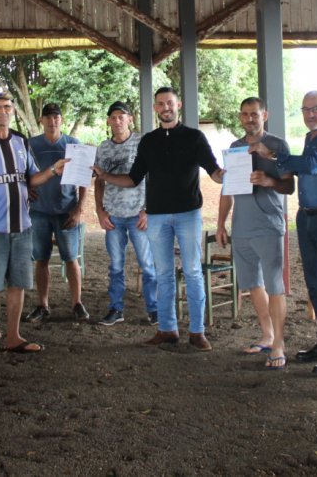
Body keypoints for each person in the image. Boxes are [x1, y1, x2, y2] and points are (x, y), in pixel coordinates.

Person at [93, 87, 224, 351]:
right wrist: (103, 175)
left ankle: (197, 332)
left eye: (170, 103)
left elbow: (215, 172)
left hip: (188, 214)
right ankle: (167, 329)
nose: (166, 107)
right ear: (155, 109)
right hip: (157, 217)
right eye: (161, 104)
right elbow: (132, 179)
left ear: (179, 105)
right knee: (163, 274)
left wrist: (237, 173)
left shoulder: (195, 137)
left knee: (193, 272)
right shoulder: (148, 141)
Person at [0, 91, 66, 363]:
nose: (3, 111)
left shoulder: (21, 141)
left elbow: (31, 179)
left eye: (7, 107)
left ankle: (13, 337)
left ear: (12, 111)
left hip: (22, 227)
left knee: (18, 284)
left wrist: (54, 170)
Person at [252, 90, 317, 375]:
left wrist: (273, 154)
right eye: (305, 110)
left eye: (315, 109)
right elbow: (304, 168)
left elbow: (312, 165)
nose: (310, 115)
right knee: (315, 284)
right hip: (307, 216)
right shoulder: (311, 138)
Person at [217, 97, 295, 369]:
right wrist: (220, 224)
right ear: (240, 117)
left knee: (275, 285)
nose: (250, 119)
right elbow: (227, 188)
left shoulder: (277, 145)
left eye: (255, 114)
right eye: (245, 114)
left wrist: (268, 179)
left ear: (265, 115)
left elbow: (289, 187)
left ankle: (279, 345)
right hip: (241, 226)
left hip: (269, 225)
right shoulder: (235, 148)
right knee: (252, 283)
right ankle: (267, 334)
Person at [93, 101, 158, 327]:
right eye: (114, 117)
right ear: (109, 121)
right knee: (116, 266)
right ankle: (116, 308)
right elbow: (98, 181)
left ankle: (154, 309)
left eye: (122, 116)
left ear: (130, 119)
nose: (118, 121)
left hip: (138, 215)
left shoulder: (143, 143)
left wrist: (148, 210)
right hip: (113, 216)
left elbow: (154, 178)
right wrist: (100, 211)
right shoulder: (103, 148)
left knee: (147, 264)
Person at [25, 103, 89, 323]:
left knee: (71, 258)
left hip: (66, 211)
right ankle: (42, 305)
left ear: (61, 119)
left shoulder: (73, 144)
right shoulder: (31, 144)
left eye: (56, 117)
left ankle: (77, 303)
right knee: (41, 259)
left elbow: (83, 179)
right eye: (48, 117)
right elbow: (21, 173)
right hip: (38, 211)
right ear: (41, 120)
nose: (52, 121)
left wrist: (79, 208)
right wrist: (26, 191)